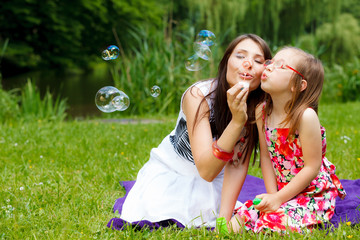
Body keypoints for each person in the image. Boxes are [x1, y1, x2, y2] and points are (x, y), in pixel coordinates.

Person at [116, 34, 272, 228]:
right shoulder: (198, 95)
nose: (248, 63)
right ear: (226, 62)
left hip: (217, 180)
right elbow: (206, 171)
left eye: (258, 61)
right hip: (175, 173)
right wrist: (236, 122)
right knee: (173, 211)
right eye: (240, 56)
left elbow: (237, 165)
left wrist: (223, 220)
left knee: (224, 213)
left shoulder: (256, 106)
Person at [219, 46, 347, 233]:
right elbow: (266, 158)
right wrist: (273, 197)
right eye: (271, 62)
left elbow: (312, 167)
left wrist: (278, 200)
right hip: (281, 191)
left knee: (273, 221)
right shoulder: (261, 112)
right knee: (237, 223)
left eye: (280, 66)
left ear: (298, 85)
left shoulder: (306, 117)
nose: (268, 67)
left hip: (312, 193)